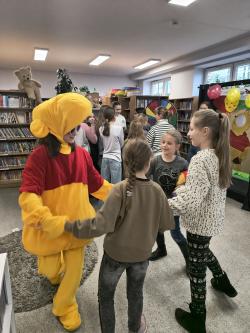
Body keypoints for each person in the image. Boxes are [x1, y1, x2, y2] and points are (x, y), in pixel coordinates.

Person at [18, 93, 112, 332]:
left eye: (78, 122)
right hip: (50, 227)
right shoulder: (39, 157)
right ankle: (53, 273)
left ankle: (63, 306)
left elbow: (98, 184)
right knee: (50, 271)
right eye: (71, 123)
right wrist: (44, 218)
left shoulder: (81, 154)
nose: (77, 128)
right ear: (55, 125)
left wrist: (122, 193)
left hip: (77, 225)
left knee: (73, 272)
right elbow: (28, 194)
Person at [64, 139, 174, 333]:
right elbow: (164, 225)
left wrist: (70, 226)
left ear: (125, 162)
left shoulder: (119, 190)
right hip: (142, 256)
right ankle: (134, 328)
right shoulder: (157, 191)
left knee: (105, 296)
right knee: (136, 293)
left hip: (115, 256)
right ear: (149, 163)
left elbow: (99, 225)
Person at [168, 109, 238, 333]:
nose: (188, 133)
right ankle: (221, 280)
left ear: (205, 131)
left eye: (191, 128)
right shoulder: (219, 154)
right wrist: (184, 190)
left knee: (197, 270)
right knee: (202, 250)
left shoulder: (200, 159)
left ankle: (197, 317)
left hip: (199, 222)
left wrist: (162, 207)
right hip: (211, 219)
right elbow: (203, 190)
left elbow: (192, 202)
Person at [148, 130, 189, 271]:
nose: (165, 145)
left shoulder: (183, 163)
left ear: (177, 146)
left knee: (175, 233)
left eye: (169, 143)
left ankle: (190, 261)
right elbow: (145, 178)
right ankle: (161, 249)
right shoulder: (155, 160)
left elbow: (186, 183)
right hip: (157, 203)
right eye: (163, 142)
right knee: (157, 229)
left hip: (174, 205)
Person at [100, 106, 124, 184]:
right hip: (116, 158)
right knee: (116, 186)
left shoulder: (101, 128)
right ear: (114, 116)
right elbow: (121, 144)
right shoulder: (119, 128)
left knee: (105, 185)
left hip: (105, 158)